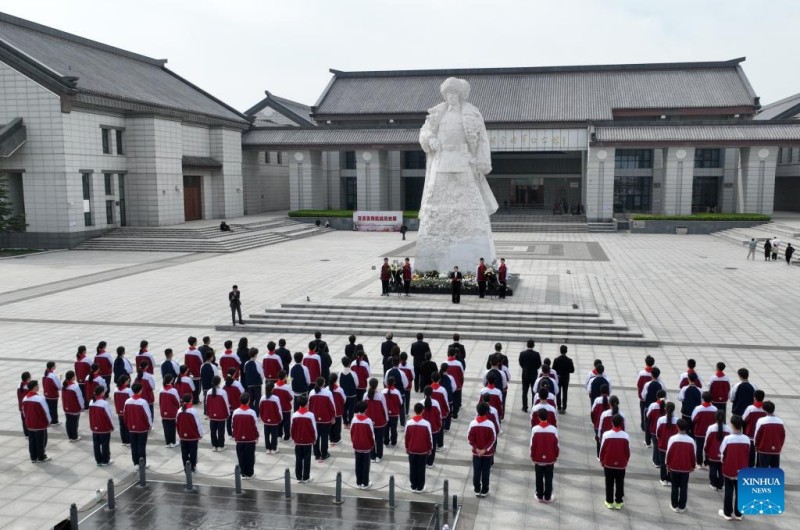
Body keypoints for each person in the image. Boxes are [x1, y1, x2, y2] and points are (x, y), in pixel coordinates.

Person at [718, 415, 749, 520]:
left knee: (729, 490)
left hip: (730, 468)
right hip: (742, 468)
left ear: (732, 424)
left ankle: (727, 513)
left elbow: (722, 453)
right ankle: (739, 513)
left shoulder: (728, 439)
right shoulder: (746, 439)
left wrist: (724, 462)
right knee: (740, 491)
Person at [665, 418, 696, 513]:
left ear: (677, 427)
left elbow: (668, 453)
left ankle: (674, 505)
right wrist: (693, 466)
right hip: (685, 468)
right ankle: (682, 506)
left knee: (674, 487)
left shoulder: (672, 439)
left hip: (674, 467)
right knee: (684, 487)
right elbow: (693, 455)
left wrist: (667, 464)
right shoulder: (691, 440)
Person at [599, 414, 629, 510]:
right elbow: (627, 451)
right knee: (620, 482)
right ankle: (619, 502)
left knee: (609, 482)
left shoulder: (606, 435)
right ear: (621, 423)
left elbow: (602, 449)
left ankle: (609, 501)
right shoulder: (625, 436)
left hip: (608, 463)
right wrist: (625, 461)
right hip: (621, 464)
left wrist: (601, 460)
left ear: (612, 422)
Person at [530, 408, 559, 503]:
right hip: (550, 458)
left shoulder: (535, 429)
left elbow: (532, 444)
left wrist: (532, 456)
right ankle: (547, 496)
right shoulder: (553, 429)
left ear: (538, 417)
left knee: (538, 477)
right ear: (548, 416)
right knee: (549, 478)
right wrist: (556, 456)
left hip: (538, 458)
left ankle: (539, 495)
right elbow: (556, 444)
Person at [468, 402, 497, 497]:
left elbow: (470, 438)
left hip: (476, 453)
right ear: (486, 412)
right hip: (487, 454)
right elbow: (493, 438)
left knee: (476, 471)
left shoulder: (472, 423)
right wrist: (485, 450)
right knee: (486, 472)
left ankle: (477, 488)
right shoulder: (490, 424)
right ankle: (484, 490)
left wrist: (476, 449)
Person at [405, 402, 434, 493]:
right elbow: (429, 438)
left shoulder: (409, 423)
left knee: (412, 468)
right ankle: (420, 487)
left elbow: (406, 437)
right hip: (422, 450)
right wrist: (430, 449)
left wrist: (406, 447)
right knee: (421, 469)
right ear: (423, 411)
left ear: (414, 411)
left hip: (412, 449)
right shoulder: (426, 424)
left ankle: (413, 486)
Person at [123, 382, 153, 469]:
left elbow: (125, 415)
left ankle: (135, 463)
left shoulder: (127, 401)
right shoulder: (143, 402)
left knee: (134, 446)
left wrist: (128, 424)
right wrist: (150, 425)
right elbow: (147, 415)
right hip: (142, 428)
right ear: (140, 390)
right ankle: (142, 463)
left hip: (131, 427)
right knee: (141, 446)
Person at [21, 380, 51, 463]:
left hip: (30, 423)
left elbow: (23, 412)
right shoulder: (39, 399)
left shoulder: (25, 398)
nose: (38, 386)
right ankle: (41, 457)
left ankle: (33, 457)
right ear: (35, 387)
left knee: (32, 441)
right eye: (37, 385)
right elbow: (46, 411)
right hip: (39, 424)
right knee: (41, 441)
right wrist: (49, 421)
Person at [232, 393, 259, 479]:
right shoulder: (252, 412)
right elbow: (255, 425)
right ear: (248, 401)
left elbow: (233, 425)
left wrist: (234, 435)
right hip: (250, 438)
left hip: (239, 438)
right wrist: (257, 436)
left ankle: (242, 473)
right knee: (250, 456)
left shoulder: (236, 412)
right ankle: (250, 473)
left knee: (241, 456)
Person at [308, 377, 335, 462]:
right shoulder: (328, 393)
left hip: (314, 418)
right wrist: (333, 417)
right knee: (324, 436)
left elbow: (309, 405)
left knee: (316, 436)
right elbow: (332, 406)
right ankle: (324, 454)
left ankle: (316, 454)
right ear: (323, 383)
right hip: (325, 418)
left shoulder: (312, 392)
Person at [291, 395, 317, 483]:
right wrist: (315, 438)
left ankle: (298, 477)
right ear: (306, 404)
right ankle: (306, 477)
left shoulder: (294, 415)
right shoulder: (310, 415)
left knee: (298, 458)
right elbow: (313, 428)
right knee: (307, 459)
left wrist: (294, 438)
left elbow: (292, 428)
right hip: (308, 440)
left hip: (298, 440)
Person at [350, 401, 375, 489]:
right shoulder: (368, 421)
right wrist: (372, 444)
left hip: (357, 445)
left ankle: (358, 482)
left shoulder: (354, 419)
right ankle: (365, 483)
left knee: (358, 464)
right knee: (365, 465)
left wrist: (354, 442)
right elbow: (371, 434)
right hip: (366, 446)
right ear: (366, 409)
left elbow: (351, 432)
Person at [176, 394, 204, 473]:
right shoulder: (193, 411)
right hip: (192, 436)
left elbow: (177, 423)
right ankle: (193, 467)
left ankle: (186, 466)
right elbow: (198, 424)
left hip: (183, 435)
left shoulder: (179, 410)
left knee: (184, 452)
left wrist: (179, 433)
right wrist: (201, 434)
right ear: (190, 401)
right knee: (193, 452)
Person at [704, 410, 730, 491]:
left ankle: (713, 484)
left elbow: (707, 441)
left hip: (713, 453)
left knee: (713, 469)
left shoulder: (711, 428)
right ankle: (721, 484)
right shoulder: (728, 429)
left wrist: (706, 451)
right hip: (724, 454)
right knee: (722, 469)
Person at [690, 392, 718, 468]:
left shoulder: (698, 408)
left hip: (699, 431)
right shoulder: (714, 409)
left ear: (703, 399)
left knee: (699, 447)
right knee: (708, 446)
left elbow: (693, 419)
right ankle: (707, 462)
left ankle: (699, 463)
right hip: (711, 432)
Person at [364, 378, 389, 463]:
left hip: (369, 421)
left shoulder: (365, 395)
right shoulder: (380, 395)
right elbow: (384, 408)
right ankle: (379, 456)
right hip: (379, 421)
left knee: (371, 438)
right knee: (379, 439)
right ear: (377, 385)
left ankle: (372, 456)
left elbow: (363, 408)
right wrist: (387, 418)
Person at [89, 385, 114, 466]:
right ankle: (105, 460)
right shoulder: (104, 403)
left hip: (95, 427)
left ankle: (98, 460)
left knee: (96, 444)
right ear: (102, 393)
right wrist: (112, 426)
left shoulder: (91, 402)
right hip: (104, 427)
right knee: (105, 445)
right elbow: (109, 416)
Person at [753, 401, 784, 468]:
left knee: (763, 469)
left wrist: (756, 446)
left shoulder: (761, 421)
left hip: (764, 449)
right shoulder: (780, 421)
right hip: (776, 450)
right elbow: (782, 436)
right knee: (775, 470)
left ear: (764, 410)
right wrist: (779, 446)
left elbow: (757, 435)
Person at [656, 402, 679, 485]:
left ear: (665, 409)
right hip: (673, 446)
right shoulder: (677, 420)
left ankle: (663, 479)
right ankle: (670, 479)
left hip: (662, 444)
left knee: (662, 463)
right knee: (671, 462)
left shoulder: (661, 420)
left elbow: (657, 433)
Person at [206, 375, 230, 452]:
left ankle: (214, 445)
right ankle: (221, 446)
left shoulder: (209, 391)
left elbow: (207, 403)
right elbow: (226, 403)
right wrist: (228, 413)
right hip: (221, 414)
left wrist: (208, 413)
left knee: (213, 430)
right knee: (221, 431)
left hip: (212, 414)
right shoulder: (223, 392)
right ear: (219, 382)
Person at [518, 339, 542, 413]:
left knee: (524, 391)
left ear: (527, 345)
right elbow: (539, 364)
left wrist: (525, 368)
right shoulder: (536, 354)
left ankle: (524, 407)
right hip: (533, 374)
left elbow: (520, 363)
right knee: (534, 391)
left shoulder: (522, 353)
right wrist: (534, 368)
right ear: (533, 345)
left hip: (525, 374)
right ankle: (534, 406)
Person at [259, 381, 282, 455]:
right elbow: (278, 409)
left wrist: (263, 418)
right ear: (272, 389)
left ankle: (268, 448)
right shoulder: (275, 398)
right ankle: (273, 448)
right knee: (274, 435)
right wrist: (280, 418)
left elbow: (260, 409)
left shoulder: (262, 398)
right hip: (274, 420)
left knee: (266, 435)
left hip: (266, 420)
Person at [158, 375, 180, 448]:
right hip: (172, 412)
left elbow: (160, 401)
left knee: (166, 428)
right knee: (172, 427)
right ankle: (173, 442)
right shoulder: (173, 390)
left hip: (164, 411)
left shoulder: (161, 390)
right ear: (171, 380)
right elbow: (177, 402)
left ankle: (167, 442)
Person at [62, 370, 84, 441]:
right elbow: (80, 397)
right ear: (72, 377)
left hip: (66, 407)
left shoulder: (64, 386)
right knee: (74, 422)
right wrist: (82, 406)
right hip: (74, 407)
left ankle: (70, 436)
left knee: (68, 421)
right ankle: (74, 436)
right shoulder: (75, 387)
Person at [552, 345, 574, 414]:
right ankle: (564, 407)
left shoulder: (556, 360)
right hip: (566, 378)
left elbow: (553, 369)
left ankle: (558, 407)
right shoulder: (569, 360)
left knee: (558, 393)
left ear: (560, 351)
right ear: (566, 351)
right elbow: (572, 370)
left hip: (558, 378)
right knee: (565, 393)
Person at [223, 369, 245, 437]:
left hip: (228, 405)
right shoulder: (237, 384)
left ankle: (229, 433)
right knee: (236, 420)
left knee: (228, 420)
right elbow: (242, 392)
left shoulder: (224, 383)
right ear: (234, 374)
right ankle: (236, 432)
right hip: (236, 405)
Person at [273, 371, 294, 441]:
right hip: (286, 407)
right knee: (286, 422)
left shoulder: (274, 385)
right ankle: (287, 436)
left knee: (279, 421)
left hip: (278, 407)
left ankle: (279, 435)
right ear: (285, 377)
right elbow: (291, 397)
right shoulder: (287, 387)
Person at [383, 377, 404, 446]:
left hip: (385, 414)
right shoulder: (397, 392)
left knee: (386, 428)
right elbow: (401, 402)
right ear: (394, 382)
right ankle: (393, 441)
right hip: (394, 414)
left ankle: (386, 441)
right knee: (393, 428)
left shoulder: (383, 392)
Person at [113, 374, 133, 447]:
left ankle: (123, 440)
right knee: (127, 425)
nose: (129, 381)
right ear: (125, 381)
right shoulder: (128, 390)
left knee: (121, 425)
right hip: (127, 411)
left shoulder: (115, 390)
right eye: (128, 380)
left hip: (119, 410)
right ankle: (128, 440)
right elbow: (132, 399)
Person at [339, 358, 359, 428]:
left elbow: (339, 384)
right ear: (349, 364)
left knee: (344, 408)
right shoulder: (353, 373)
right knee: (351, 409)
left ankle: (345, 423)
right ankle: (350, 422)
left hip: (343, 394)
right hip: (352, 394)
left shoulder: (340, 373)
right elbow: (357, 384)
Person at [184, 337, 203, 404]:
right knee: (197, 387)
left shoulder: (186, 351)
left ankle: (192, 399)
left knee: (191, 386)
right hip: (197, 372)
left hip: (189, 372)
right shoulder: (197, 352)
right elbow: (201, 362)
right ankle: (196, 399)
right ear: (194, 342)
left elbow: (185, 362)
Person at [42, 361, 62, 426]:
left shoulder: (45, 375)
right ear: (52, 367)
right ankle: (54, 421)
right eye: (55, 365)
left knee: (49, 408)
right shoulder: (53, 376)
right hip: (53, 395)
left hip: (47, 394)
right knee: (54, 408)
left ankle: (50, 420)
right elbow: (59, 386)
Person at [329, 374, 346, 445]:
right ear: (336, 380)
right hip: (338, 410)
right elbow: (344, 399)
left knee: (330, 425)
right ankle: (337, 439)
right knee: (337, 426)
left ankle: (331, 438)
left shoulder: (326, 389)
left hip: (329, 411)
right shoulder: (339, 389)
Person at [17, 371, 31, 437]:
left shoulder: (19, 385)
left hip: (21, 406)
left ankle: (26, 433)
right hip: (27, 406)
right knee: (28, 420)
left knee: (23, 420)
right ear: (28, 378)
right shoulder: (28, 386)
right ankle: (29, 433)